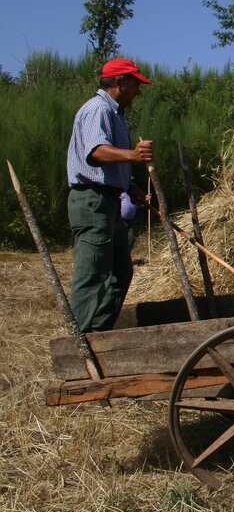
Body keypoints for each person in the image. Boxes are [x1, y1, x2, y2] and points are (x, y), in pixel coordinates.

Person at [66, 58, 153, 333]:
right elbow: (97, 151)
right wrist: (133, 155)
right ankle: (78, 344)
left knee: (120, 272)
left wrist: (130, 186)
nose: (138, 92)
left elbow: (110, 165)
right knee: (93, 274)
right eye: (135, 85)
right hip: (92, 201)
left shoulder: (115, 114)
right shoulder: (98, 109)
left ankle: (97, 333)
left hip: (109, 199)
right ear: (120, 83)